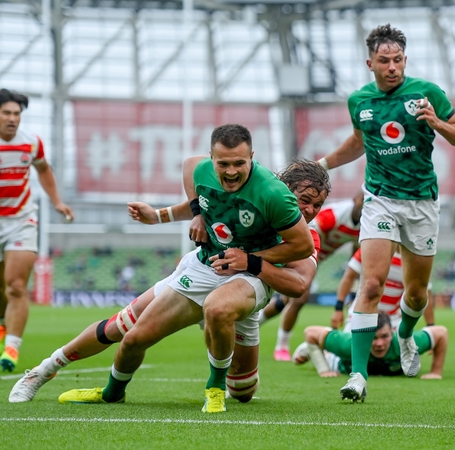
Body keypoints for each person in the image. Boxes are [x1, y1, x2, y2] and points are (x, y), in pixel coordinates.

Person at [8, 157, 329, 404]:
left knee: (243, 392)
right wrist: (186, 213)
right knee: (121, 327)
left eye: (317, 204)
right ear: (285, 190)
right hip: (199, 274)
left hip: (244, 294)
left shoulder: (305, 237)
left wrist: (252, 262)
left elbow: (298, 285)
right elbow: (196, 177)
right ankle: (43, 370)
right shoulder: (254, 196)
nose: (310, 210)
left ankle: (221, 349)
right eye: (305, 199)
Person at [315, 23, 455, 402]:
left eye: (398, 60)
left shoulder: (427, 92)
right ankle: (357, 375)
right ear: (370, 62)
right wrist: (319, 165)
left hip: (421, 201)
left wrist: (437, 123)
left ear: (405, 60)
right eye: (384, 61)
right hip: (380, 198)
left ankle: (405, 336)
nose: (392, 67)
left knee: (417, 295)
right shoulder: (359, 101)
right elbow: (358, 142)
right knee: (371, 284)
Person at [0, 88, 73, 372]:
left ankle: (11, 349)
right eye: (6, 112)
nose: (12, 119)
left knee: (16, 286)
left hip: (21, 220)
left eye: (16, 114)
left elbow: (43, 169)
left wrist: (57, 201)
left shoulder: (31, 143)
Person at [265, 191, 364, 361]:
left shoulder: (366, 224)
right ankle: (282, 346)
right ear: (355, 199)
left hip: (318, 259)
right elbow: (307, 229)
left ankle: (249, 327)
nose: (365, 205)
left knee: (286, 301)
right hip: (304, 254)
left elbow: (355, 253)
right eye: (363, 200)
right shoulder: (335, 215)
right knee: (299, 299)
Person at [292, 312, 447, 383]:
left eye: (384, 337)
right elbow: (310, 332)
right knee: (320, 348)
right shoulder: (350, 343)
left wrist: (436, 372)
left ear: (392, 332)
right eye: (373, 338)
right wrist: (324, 370)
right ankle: (312, 350)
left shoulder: (404, 342)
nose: (379, 344)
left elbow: (441, 333)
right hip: (340, 364)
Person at [332, 244, 434, 332]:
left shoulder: (414, 262)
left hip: (393, 321)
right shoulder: (370, 248)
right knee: (349, 352)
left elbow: (424, 294)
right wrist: (338, 308)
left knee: (403, 353)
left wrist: (430, 326)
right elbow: (349, 277)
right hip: (362, 314)